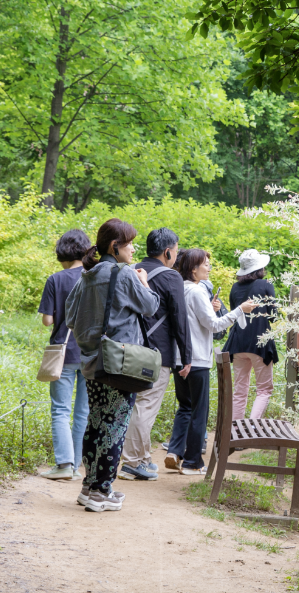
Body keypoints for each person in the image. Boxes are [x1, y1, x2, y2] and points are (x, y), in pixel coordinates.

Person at [65, 218, 160, 512]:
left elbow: (70, 317)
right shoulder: (125, 274)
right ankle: (101, 491)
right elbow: (151, 306)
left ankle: (90, 486)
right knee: (115, 425)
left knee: (96, 423)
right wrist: (145, 283)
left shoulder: (87, 275)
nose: (133, 249)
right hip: (119, 362)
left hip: (92, 361)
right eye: (129, 243)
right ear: (114, 246)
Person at [165, 248, 253, 474]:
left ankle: (174, 452)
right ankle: (193, 462)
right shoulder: (196, 291)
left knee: (185, 406)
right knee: (199, 411)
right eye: (205, 264)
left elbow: (197, 320)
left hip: (178, 357)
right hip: (197, 359)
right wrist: (238, 311)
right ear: (193, 269)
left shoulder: (178, 289)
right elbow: (213, 326)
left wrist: (212, 310)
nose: (209, 267)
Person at [119, 227, 190, 482]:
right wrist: (187, 355)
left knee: (135, 405)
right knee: (145, 407)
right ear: (168, 251)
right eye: (177, 249)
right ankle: (131, 463)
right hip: (158, 354)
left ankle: (143, 458)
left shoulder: (130, 270)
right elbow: (180, 319)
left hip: (129, 349)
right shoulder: (172, 277)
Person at [38, 229, 93, 481]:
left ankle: (63, 465)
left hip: (63, 352)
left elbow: (48, 321)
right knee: (83, 412)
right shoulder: (95, 277)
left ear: (62, 252)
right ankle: (77, 465)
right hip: (91, 354)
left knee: (60, 409)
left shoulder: (56, 279)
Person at [225, 249, 279, 420]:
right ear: (260, 268)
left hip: (238, 344)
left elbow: (234, 313)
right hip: (259, 343)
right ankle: (251, 430)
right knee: (264, 389)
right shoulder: (266, 285)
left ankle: (236, 432)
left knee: (240, 390)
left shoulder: (234, 287)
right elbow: (273, 316)